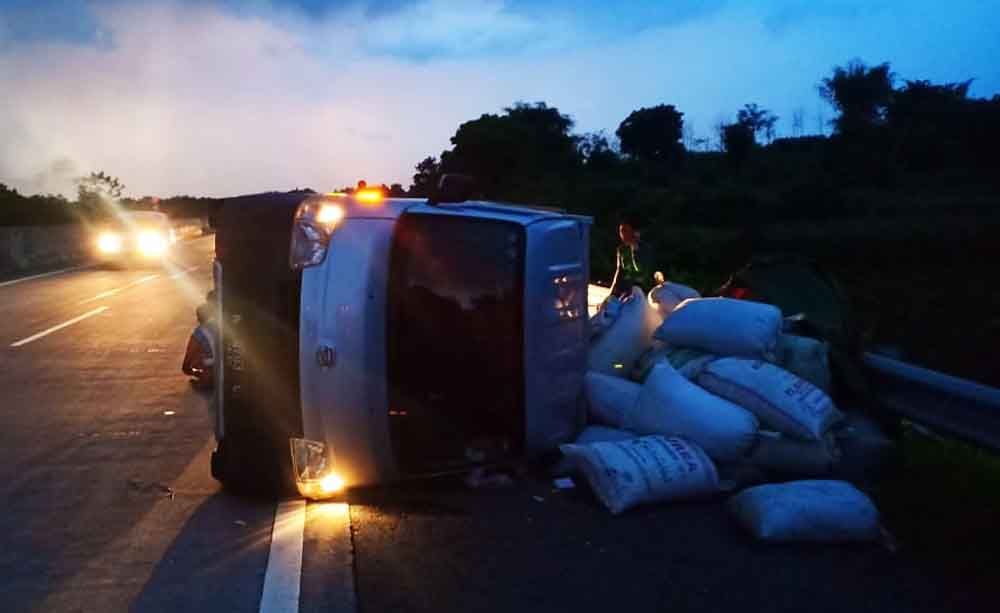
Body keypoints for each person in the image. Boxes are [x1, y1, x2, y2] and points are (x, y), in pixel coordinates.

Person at [609, 213, 656, 298]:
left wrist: (634, 249)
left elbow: (641, 272)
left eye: (625, 231)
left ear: (634, 232)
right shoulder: (622, 249)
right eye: (621, 231)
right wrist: (611, 294)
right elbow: (619, 272)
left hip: (640, 291)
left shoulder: (645, 249)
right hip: (623, 291)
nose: (622, 234)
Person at [182, 290, 217, 390]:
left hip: (212, 363)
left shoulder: (199, 332)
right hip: (227, 361)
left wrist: (187, 368)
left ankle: (206, 378)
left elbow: (189, 355)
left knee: (196, 358)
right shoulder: (223, 324)